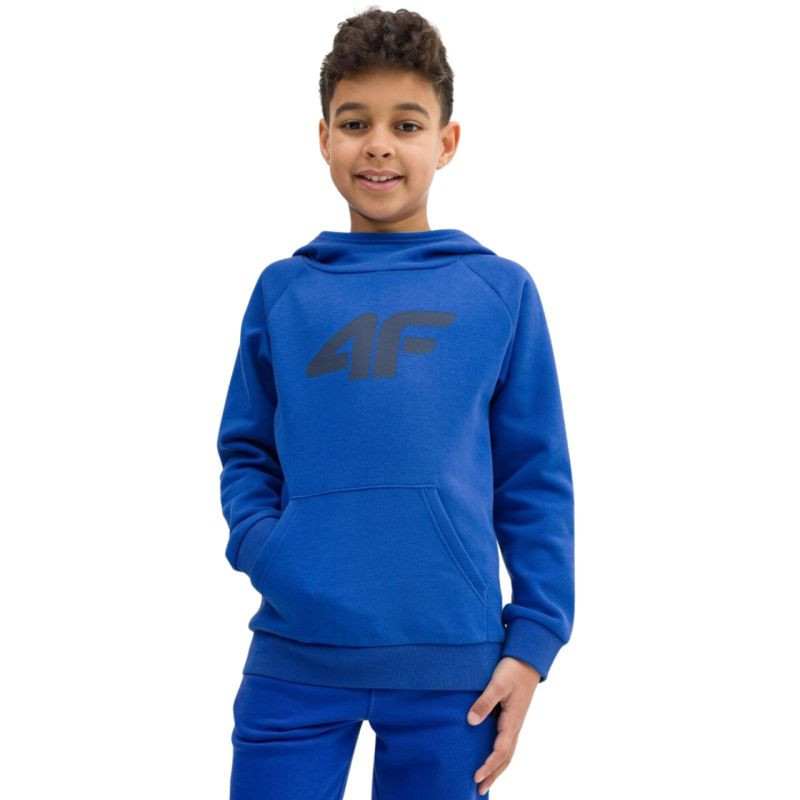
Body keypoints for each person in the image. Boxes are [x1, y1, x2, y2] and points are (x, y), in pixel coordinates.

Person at [216, 7, 575, 799]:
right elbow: (247, 449)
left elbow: (535, 477)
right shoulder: (285, 290)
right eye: (356, 123)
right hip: (295, 653)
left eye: (406, 124)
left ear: (445, 142)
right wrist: (269, 549)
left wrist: (534, 641)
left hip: (454, 668)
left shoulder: (498, 290)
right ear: (324, 139)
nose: (378, 144)